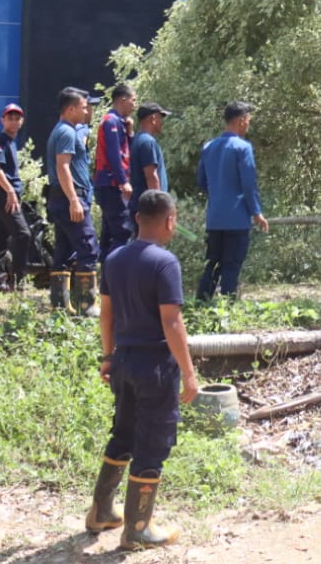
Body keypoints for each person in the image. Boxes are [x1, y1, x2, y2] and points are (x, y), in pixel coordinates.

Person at [87, 189, 198, 549]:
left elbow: (106, 313)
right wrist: (190, 373)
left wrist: (107, 356)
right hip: (155, 367)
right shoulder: (165, 263)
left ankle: (101, 511)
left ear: (137, 218)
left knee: (123, 433)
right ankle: (137, 529)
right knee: (152, 444)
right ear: (169, 221)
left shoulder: (115, 259)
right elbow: (172, 323)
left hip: (123, 362)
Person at [195, 102, 268, 300]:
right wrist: (256, 212)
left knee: (213, 263)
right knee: (231, 265)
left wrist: (218, 194)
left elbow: (201, 180)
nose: (248, 125)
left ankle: (201, 303)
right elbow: (248, 184)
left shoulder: (208, 147)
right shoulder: (242, 148)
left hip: (215, 217)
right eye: (248, 121)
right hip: (236, 218)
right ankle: (227, 309)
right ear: (241, 121)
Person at [48, 87, 102, 315]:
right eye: (82, 107)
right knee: (88, 248)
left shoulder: (61, 130)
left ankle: (60, 306)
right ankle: (87, 306)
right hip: (70, 198)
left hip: (60, 199)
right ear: (70, 109)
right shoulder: (67, 133)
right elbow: (63, 166)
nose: (86, 110)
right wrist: (73, 200)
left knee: (64, 251)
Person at [0, 103, 31, 290]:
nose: (14, 122)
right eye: (10, 118)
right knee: (23, 234)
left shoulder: (11, 142)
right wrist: (10, 192)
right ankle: (19, 282)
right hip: (4, 194)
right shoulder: (0, 140)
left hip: (8, 194)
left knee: (2, 238)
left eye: (17, 118)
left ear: (21, 121)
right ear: (2, 120)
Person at [94, 85, 137, 263]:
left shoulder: (121, 123)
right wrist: (123, 181)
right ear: (123, 100)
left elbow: (128, 151)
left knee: (109, 234)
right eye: (133, 100)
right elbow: (113, 155)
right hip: (110, 185)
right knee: (122, 231)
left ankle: (106, 280)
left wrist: (130, 132)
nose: (135, 105)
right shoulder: (111, 122)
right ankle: (116, 277)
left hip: (111, 185)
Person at [129, 103, 171, 212]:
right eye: (160, 118)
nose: (161, 122)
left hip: (141, 205)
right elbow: (151, 176)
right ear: (153, 119)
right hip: (149, 209)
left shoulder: (138, 139)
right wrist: (158, 207)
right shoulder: (148, 142)